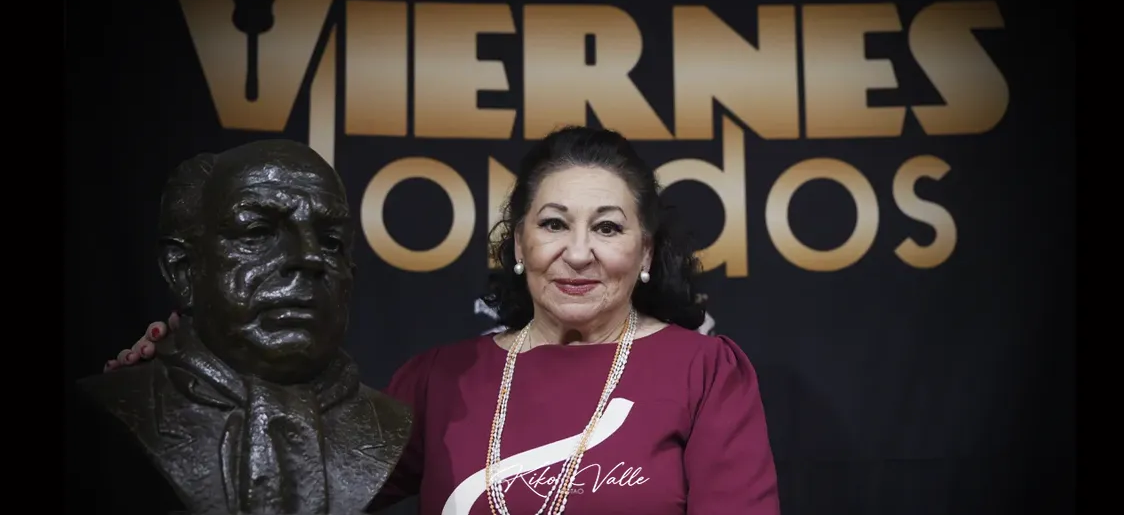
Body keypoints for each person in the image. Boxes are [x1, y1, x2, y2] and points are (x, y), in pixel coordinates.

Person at [103, 126, 781, 514]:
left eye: (607, 227)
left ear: (645, 253)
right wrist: (184, 383)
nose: (579, 253)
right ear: (519, 245)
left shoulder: (703, 372)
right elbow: (298, 490)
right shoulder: (440, 379)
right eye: (553, 224)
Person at [76, 140, 412, 515]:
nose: (309, 257)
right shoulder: (120, 408)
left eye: (331, 241)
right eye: (257, 231)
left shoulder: (394, 425)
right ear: (183, 270)